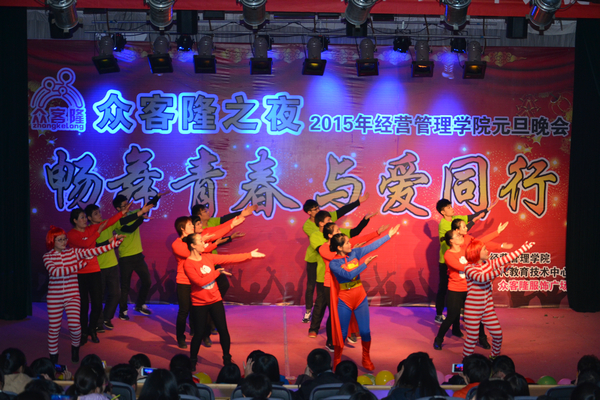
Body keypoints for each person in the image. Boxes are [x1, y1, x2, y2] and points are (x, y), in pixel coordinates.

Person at [182, 232, 265, 369]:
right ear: (193, 245)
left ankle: (227, 359)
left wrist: (250, 254)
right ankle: (193, 361)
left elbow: (229, 258)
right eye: (201, 241)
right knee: (199, 333)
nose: (204, 243)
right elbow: (200, 282)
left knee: (223, 330)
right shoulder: (188, 264)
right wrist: (217, 272)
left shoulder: (208, 257)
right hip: (199, 303)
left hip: (215, 300)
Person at [43, 226, 124, 364]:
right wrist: (79, 266)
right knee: (54, 329)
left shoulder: (73, 252)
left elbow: (94, 250)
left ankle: (75, 349)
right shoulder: (47, 257)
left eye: (64, 239)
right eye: (59, 240)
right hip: (54, 297)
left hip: (72, 295)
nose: (63, 242)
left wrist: (113, 244)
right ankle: (53, 359)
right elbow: (56, 272)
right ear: (52, 241)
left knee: (75, 328)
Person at [328, 225, 401, 370]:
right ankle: (337, 359)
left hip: (360, 297)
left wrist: (389, 236)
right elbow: (349, 275)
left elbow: (372, 246)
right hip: (345, 299)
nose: (350, 244)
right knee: (342, 333)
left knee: (365, 331)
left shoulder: (355, 252)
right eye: (347, 243)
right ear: (339, 247)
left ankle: (366, 358)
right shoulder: (334, 263)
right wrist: (364, 265)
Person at [434, 220, 511, 351]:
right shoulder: (448, 255)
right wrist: (480, 266)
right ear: (451, 241)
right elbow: (463, 267)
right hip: (456, 289)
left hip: (471, 288)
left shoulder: (466, 248)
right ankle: (439, 339)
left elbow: (480, 242)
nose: (461, 237)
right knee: (452, 316)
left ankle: (482, 338)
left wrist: (496, 233)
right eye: (458, 236)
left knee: (478, 315)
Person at [172, 215, 245, 349]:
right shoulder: (177, 244)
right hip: (184, 281)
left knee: (202, 309)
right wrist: (205, 242)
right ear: (182, 228)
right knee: (184, 310)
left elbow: (214, 234)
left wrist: (232, 225)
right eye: (190, 225)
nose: (193, 226)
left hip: (199, 280)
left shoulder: (196, 239)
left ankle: (205, 335)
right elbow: (191, 253)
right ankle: (181, 337)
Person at [67, 205, 136, 343]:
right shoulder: (71, 235)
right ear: (75, 220)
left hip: (94, 270)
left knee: (97, 303)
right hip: (80, 273)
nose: (85, 220)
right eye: (82, 217)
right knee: (84, 305)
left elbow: (108, 222)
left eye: (85, 217)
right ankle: (83, 332)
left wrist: (121, 213)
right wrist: (98, 232)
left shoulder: (91, 229)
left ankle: (92, 329)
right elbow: (86, 244)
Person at [319, 221, 387, 352]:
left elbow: (360, 242)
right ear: (330, 235)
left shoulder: (346, 247)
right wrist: (353, 253)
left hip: (348, 285)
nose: (340, 232)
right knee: (334, 313)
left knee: (351, 312)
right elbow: (337, 258)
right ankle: (331, 341)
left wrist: (377, 233)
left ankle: (350, 334)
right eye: (337, 231)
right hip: (331, 283)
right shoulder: (324, 249)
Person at [301, 194, 369, 324]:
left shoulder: (327, 219)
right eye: (314, 209)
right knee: (311, 285)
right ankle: (308, 311)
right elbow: (320, 244)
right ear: (309, 212)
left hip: (328, 259)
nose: (317, 210)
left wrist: (357, 202)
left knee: (326, 291)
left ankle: (334, 320)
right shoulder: (308, 227)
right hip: (314, 258)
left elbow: (342, 211)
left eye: (318, 207)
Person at [84, 203, 153, 332]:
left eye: (99, 212)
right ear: (89, 218)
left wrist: (140, 213)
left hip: (113, 265)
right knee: (98, 297)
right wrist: (110, 241)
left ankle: (106, 318)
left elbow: (123, 221)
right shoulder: (88, 230)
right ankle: (98, 323)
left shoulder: (106, 223)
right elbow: (94, 246)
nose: (99, 215)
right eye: (95, 214)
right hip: (97, 267)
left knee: (116, 294)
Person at [462, 239, 535, 357]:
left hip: (487, 309)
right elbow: (482, 278)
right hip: (472, 310)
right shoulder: (469, 268)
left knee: (497, 335)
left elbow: (506, 258)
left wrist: (523, 248)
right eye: (484, 249)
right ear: (476, 252)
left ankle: (494, 357)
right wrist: (500, 270)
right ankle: (464, 364)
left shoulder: (488, 264)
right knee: (472, 339)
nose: (487, 251)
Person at [435, 199, 495, 324]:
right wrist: (474, 221)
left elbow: (471, 216)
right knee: (444, 287)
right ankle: (439, 314)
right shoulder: (443, 224)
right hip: (446, 261)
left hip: (460, 259)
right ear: (442, 212)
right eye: (448, 207)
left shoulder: (456, 218)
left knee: (464, 286)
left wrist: (486, 210)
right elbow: (458, 232)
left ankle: (464, 312)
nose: (452, 208)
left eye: (451, 206)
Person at [114, 192, 166, 321]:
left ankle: (139, 305)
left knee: (147, 281)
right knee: (125, 286)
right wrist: (141, 218)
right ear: (118, 208)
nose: (127, 207)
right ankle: (123, 311)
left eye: (127, 204)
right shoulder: (117, 221)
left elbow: (147, 207)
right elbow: (130, 229)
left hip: (138, 255)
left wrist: (157, 197)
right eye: (124, 206)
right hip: (126, 257)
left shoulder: (133, 214)